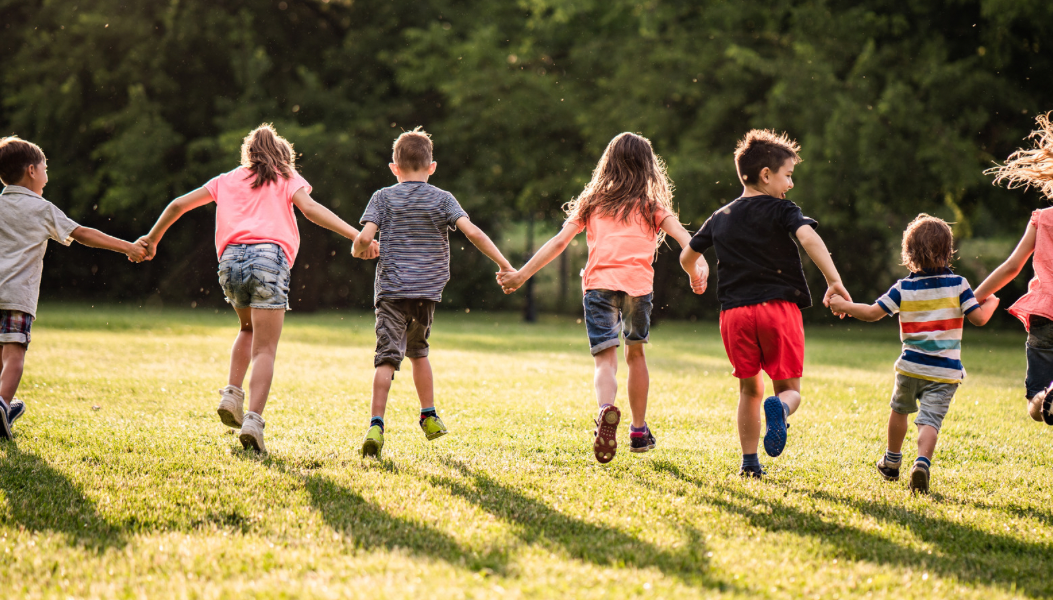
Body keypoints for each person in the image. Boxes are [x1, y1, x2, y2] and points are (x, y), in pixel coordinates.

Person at [137, 124, 365, 453]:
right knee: (265, 349)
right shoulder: (286, 177)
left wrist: (152, 239)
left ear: (247, 153)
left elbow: (177, 205)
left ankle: (232, 393)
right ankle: (253, 422)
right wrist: (355, 235)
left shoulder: (226, 180)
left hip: (230, 262)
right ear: (282, 157)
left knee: (246, 328)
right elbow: (312, 210)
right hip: (269, 259)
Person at [498, 132, 709, 463]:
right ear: (648, 167)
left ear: (607, 164)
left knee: (605, 360)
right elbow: (687, 239)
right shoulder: (652, 206)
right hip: (638, 288)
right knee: (635, 355)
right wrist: (699, 268)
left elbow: (559, 242)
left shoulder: (592, 203)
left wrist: (522, 274)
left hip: (598, 286)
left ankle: (605, 412)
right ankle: (638, 432)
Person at [679, 129, 848, 478]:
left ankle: (749, 463)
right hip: (777, 310)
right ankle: (781, 412)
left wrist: (695, 273)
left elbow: (687, 254)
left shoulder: (721, 215)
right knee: (789, 391)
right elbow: (809, 238)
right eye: (788, 175)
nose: (790, 184)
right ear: (766, 175)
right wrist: (835, 281)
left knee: (748, 387)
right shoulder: (783, 210)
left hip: (734, 314)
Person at [352, 127, 512, 459]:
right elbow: (473, 233)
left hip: (391, 293)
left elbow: (365, 238)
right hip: (426, 294)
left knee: (386, 359)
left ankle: (376, 424)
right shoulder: (443, 198)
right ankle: (429, 414)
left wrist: (359, 249)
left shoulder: (382, 197)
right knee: (419, 353)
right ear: (432, 167)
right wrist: (504, 263)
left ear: (394, 168)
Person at [828, 215, 998, 492]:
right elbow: (978, 319)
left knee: (899, 411)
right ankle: (921, 463)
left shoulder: (904, 287)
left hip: (910, 367)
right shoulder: (959, 285)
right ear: (947, 251)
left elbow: (872, 313)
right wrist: (991, 302)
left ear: (908, 253)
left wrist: (843, 305)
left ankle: (892, 461)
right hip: (945, 372)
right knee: (929, 421)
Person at [0, 136, 146, 439]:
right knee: (14, 354)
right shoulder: (41, 208)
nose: (46, 175)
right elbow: (82, 234)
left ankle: (4, 406)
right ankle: (1, 405)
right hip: (17, 296)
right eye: (44, 168)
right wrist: (128, 248)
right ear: (31, 170)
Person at [971, 113, 1053, 495]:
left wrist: (976, 295)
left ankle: (1042, 396)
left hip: (1045, 314)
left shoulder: (1043, 219)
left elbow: (1012, 266)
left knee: (1037, 392)